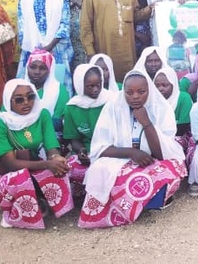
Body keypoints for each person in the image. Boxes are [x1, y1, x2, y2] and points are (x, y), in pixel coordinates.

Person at [78, 71, 187, 229]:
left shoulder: (162, 109)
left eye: (141, 92)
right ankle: (118, 211)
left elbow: (162, 153)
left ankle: (145, 204)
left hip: (152, 161)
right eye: (129, 92)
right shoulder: (113, 107)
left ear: (149, 90)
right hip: (121, 160)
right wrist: (131, 153)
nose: (135, 96)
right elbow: (100, 148)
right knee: (99, 168)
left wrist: (146, 122)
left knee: (170, 168)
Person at [0, 79, 73, 229]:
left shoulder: (42, 115)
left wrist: (55, 158)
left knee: (60, 168)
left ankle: (41, 200)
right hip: (7, 174)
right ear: (8, 100)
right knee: (20, 179)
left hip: (34, 164)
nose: (26, 102)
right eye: (19, 99)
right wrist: (47, 163)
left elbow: (51, 147)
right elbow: (10, 164)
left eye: (31, 97)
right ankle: (17, 212)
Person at [80, 0, 153, 80]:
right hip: (105, 48)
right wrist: (90, 51)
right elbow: (85, 25)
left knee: (128, 80)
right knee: (107, 80)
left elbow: (134, 15)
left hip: (127, 50)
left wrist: (150, 8)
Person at [18, 0, 73, 95]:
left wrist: (49, 47)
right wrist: (35, 48)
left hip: (57, 47)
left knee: (58, 84)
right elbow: (22, 24)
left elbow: (65, 22)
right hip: (33, 49)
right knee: (33, 85)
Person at [63, 64, 114, 196]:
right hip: (89, 151)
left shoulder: (112, 101)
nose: (96, 89)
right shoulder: (72, 107)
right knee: (70, 169)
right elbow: (74, 139)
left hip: (113, 150)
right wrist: (81, 151)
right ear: (80, 85)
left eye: (99, 84)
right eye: (90, 86)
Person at [23, 49, 70, 135]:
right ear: (27, 68)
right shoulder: (17, 88)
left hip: (50, 136)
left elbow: (57, 123)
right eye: (33, 67)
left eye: (43, 68)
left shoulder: (59, 90)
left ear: (49, 71)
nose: (37, 72)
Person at [152, 66, 193, 158]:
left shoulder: (183, 98)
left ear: (173, 84)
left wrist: (162, 139)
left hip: (179, 135)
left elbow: (182, 127)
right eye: (157, 86)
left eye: (164, 85)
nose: (160, 89)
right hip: (157, 137)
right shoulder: (152, 101)